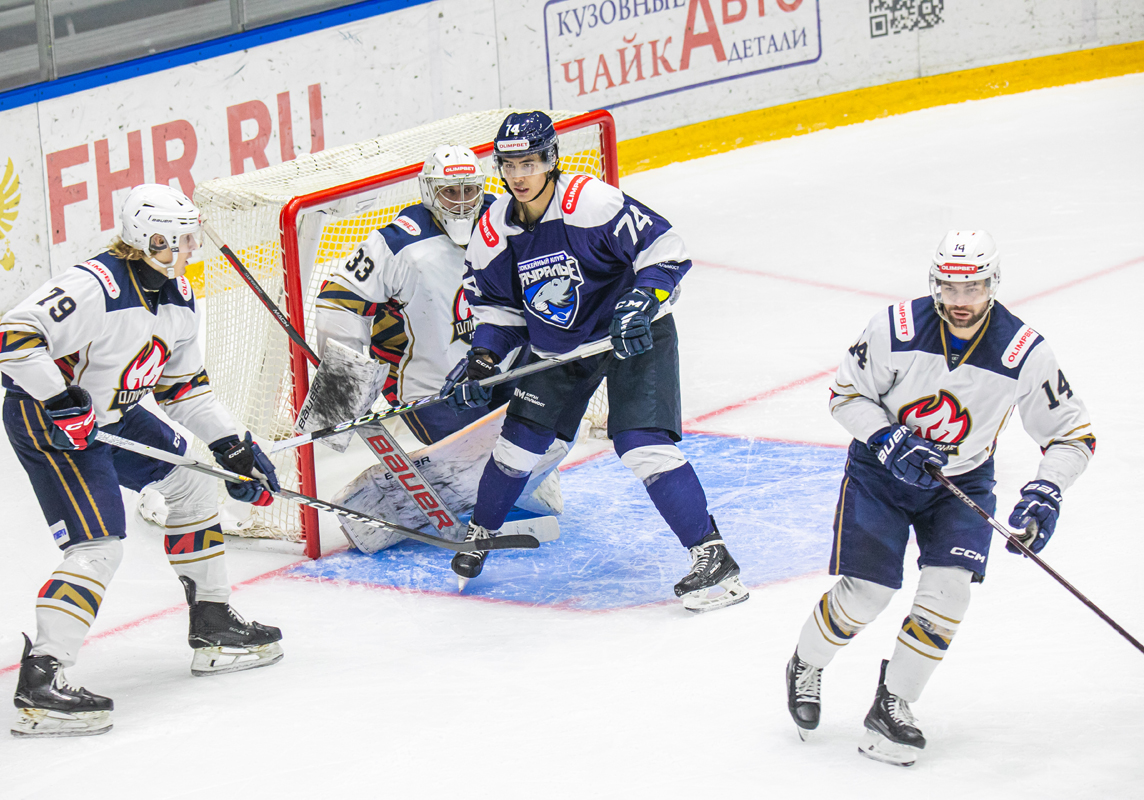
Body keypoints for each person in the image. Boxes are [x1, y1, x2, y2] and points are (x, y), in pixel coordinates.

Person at [784, 230, 1095, 766]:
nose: (960, 300)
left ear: (992, 284)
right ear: (935, 283)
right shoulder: (895, 327)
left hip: (962, 483)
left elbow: (1072, 433)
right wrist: (886, 437)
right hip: (881, 475)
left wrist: (1048, 491)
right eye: (950, 287)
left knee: (949, 594)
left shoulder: (1024, 351)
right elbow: (845, 395)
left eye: (972, 287)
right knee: (867, 594)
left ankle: (892, 705)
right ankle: (807, 663)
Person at [0, 184, 285, 738]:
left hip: (112, 416)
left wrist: (231, 445)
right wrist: (59, 399)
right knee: (98, 546)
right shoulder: (94, 286)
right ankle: (42, 678)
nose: (184, 251)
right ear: (142, 239)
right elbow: (13, 340)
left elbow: (183, 388)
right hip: (49, 420)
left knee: (193, 483)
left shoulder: (178, 297)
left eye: (188, 240)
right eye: (171, 241)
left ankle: (213, 623)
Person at [440, 110, 749, 613]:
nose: (518, 176)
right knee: (518, 448)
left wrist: (642, 300)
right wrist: (484, 358)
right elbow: (498, 311)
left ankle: (712, 556)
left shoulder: (590, 202)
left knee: (642, 445)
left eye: (529, 163)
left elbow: (665, 247)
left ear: (551, 160)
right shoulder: (493, 231)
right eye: (509, 165)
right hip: (559, 348)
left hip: (630, 334)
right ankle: (481, 532)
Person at [314, 144, 519, 445]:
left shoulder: (505, 218)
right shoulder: (398, 243)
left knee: (527, 441)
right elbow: (337, 303)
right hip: (431, 388)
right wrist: (344, 393)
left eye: (469, 191)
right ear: (429, 192)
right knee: (476, 453)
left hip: (503, 362)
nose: (462, 203)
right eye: (450, 192)